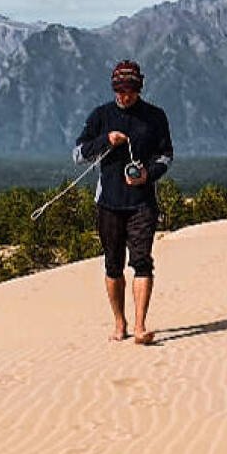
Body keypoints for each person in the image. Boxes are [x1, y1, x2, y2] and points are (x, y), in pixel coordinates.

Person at [73, 60, 174, 345]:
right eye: (119, 90)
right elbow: (78, 154)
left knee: (142, 262)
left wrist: (148, 174)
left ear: (139, 88)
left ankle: (140, 326)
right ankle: (120, 323)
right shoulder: (101, 115)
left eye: (129, 91)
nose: (124, 96)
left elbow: (166, 155)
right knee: (113, 264)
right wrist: (105, 140)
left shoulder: (155, 116)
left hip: (143, 202)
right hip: (109, 202)